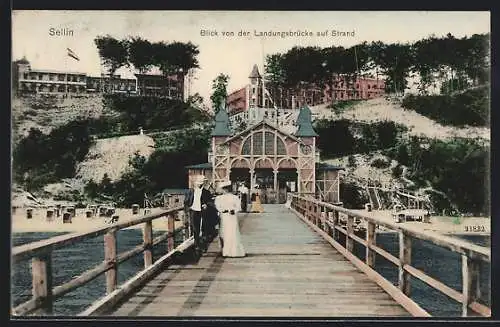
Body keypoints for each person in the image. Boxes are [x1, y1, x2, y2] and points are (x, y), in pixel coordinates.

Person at [214, 181, 246, 258]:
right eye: (224, 189)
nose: (225, 191)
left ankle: (233, 251)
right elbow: (218, 207)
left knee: (232, 233)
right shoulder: (219, 198)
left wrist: (233, 210)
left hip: (231, 217)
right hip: (224, 217)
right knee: (224, 233)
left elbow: (238, 207)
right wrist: (222, 210)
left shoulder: (234, 197)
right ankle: (225, 251)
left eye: (225, 189)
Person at [184, 175, 213, 255]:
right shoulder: (190, 191)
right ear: (195, 183)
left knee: (204, 229)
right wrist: (187, 210)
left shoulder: (206, 192)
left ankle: (203, 246)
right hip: (193, 211)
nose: (199, 184)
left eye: (201, 183)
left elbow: (210, 202)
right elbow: (186, 202)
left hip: (203, 211)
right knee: (195, 229)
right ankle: (197, 246)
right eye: (198, 183)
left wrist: (206, 204)